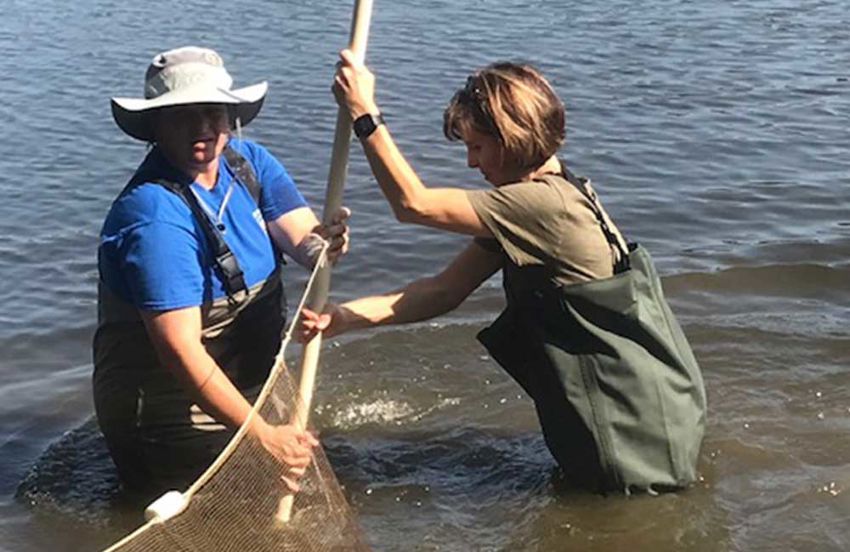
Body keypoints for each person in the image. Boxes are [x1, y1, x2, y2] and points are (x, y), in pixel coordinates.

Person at [300, 49, 707, 493]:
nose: (471, 163)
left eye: (476, 147)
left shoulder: (541, 206)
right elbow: (444, 291)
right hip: (654, 410)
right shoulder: (551, 195)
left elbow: (414, 204)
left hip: (628, 429)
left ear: (511, 138)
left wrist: (364, 113)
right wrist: (344, 318)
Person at [93, 46, 350, 496]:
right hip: (173, 413)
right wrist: (263, 436)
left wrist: (326, 243)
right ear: (156, 127)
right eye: (183, 116)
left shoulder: (248, 164)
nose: (203, 128)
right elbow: (179, 351)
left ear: (231, 116)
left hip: (248, 381)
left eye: (213, 112)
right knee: (236, 510)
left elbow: (303, 241)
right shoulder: (154, 218)